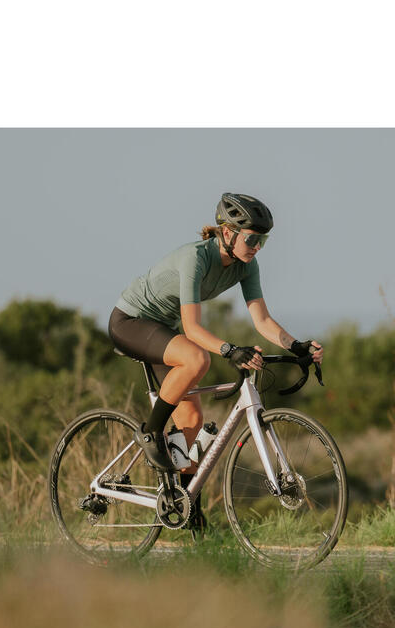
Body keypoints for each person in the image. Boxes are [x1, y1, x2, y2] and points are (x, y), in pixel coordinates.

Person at [108, 192, 324, 521]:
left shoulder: (245, 266)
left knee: (191, 424)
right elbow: (193, 329)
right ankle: (151, 432)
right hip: (131, 322)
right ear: (227, 233)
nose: (257, 247)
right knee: (197, 359)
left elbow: (262, 321)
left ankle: (181, 506)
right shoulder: (195, 258)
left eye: (262, 241)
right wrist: (229, 350)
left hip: (162, 328)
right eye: (252, 238)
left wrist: (297, 346)